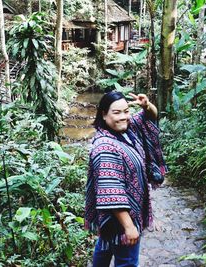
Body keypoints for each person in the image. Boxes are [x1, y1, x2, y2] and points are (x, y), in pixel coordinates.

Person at [84, 91, 167, 267]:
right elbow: (111, 190)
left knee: (104, 247)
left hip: (114, 221)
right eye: (117, 112)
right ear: (104, 115)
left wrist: (146, 105)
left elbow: (150, 116)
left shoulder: (126, 131)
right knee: (127, 262)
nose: (124, 117)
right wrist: (129, 227)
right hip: (121, 221)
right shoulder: (106, 147)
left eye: (126, 111)